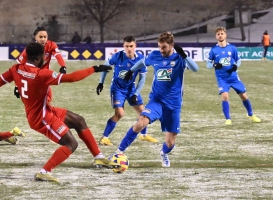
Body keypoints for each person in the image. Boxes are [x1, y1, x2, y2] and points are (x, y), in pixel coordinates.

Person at [0, 42, 119, 183]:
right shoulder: (41, 74)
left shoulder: (16, 69)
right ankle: (44, 172)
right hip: (42, 118)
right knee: (71, 144)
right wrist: (94, 68)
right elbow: (72, 78)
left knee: (79, 120)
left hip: (45, 110)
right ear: (39, 59)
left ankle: (99, 157)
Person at [110, 32, 199, 167]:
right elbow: (142, 62)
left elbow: (195, 68)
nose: (161, 50)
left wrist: (184, 55)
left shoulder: (180, 58)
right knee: (140, 123)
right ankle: (118, 152)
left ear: (171, 46)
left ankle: (163, 153)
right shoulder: (154, 55)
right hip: (156, 100)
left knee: (170, 142)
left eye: (164, 47)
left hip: (173, 105)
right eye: (159, 47)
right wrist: (131, 71)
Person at [96, 36, 158, 146]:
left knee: (143, 112)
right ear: (123, 46)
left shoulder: (140, 59)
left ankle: (143, 135)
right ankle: (104, 138)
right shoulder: (118, 56)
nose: (129, 48)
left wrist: (136, 93)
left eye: (131, 46)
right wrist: (101, 82)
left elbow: (142, 79)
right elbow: (105, 65)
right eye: (126, 46)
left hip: (131, 88)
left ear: (135, 46)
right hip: (117, 89)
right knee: (119, 113)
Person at [206, 27, 261, 125]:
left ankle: (250, 114)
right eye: (218, 34)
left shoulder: (232, 48)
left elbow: (238, 60)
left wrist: (236, 66)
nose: (220, 35)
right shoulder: (214, 50)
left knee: (244, 96)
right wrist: (214, 65)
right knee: (225, 96)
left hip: (233, 77)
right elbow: (208, 64)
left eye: (222, 33)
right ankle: (228, 119)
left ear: (225, 35)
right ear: (216, 36)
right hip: (222, 78)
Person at [15, 26, 67, 101]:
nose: (43, 39)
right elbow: (19, 68)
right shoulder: (29, 49)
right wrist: (17, 86)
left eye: (45, 37)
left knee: (47, 98)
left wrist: (63, 66)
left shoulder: (51, 45)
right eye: (40, 37)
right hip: (32, 77)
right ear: (35, 37)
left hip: (44, 77)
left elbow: (58, 55)